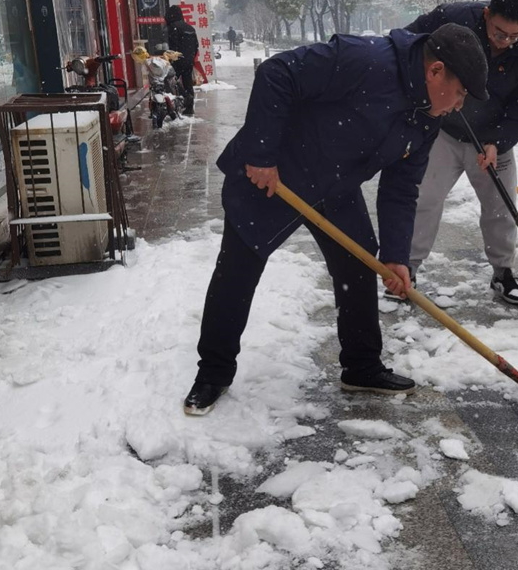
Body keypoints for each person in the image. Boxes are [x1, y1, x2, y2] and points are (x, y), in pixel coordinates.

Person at [183, 23, 489, 416]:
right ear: (434, 71)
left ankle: (361, 366)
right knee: (237, 273)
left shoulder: (426, 118)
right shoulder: (366, 60)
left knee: (360, 264)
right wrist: (262, 154)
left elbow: (400, 189)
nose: (459, 105)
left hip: (336, 187)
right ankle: (212, 373)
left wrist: (396, 256)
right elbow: (277, 73)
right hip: (275, 174)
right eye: (461, 92)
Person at [399, 0, 518, 307]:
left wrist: (498, 141)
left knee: (501, 207)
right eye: (499, 33)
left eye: (516, 35)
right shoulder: (453, 20)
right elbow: (407, 45)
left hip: (493, 139)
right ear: (486, 14)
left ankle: (503, 272)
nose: (507, 41)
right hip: (445, 130)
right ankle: (406, 269)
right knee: (424, 197)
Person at [166, 5, 199, 115]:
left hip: (177, 59)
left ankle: (184, 97)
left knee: (171, 80)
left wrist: (172, 57)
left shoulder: (173, 27)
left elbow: (172, 45)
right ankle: (190, 107)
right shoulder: (190, 28)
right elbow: (196, 45)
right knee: (188, 82)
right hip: (189, 60)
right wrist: (190, 56)